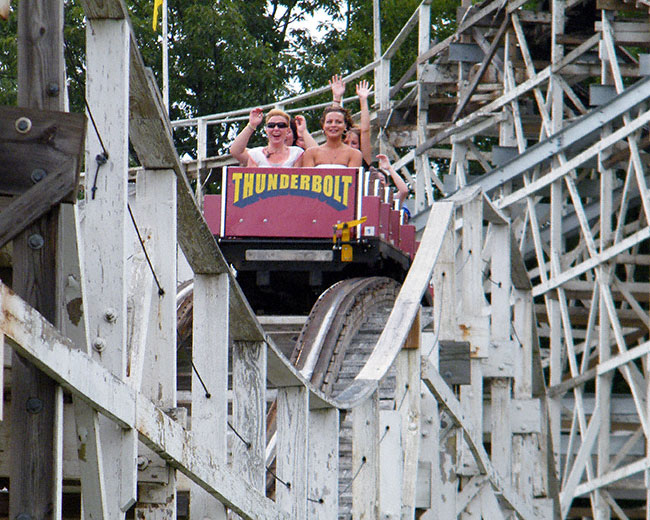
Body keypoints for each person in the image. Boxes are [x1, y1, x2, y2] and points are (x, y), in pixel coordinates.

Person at [229, 108, 316, 166]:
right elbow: (235, 151)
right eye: (271, 125)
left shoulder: (297, 153)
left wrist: (304, 132)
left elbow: (317, 155)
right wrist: (251, 125)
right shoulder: (256, 154)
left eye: (281, 125)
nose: (276, 129)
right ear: (266, 130)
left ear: (288, 130)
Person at [330, 75, 373, 166]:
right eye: (345, 143)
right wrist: (337, 98)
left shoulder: (363, 157)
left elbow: (365, 131)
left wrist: (363, 100)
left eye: (354, 143)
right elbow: (333, 123)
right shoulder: (334, 157)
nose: (349, 146)